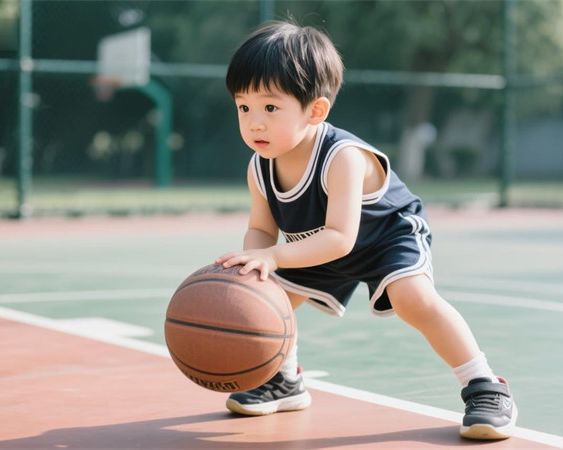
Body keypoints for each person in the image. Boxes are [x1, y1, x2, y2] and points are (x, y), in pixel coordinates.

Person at [215, 20, 516, 440]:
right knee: (272, 296)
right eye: (243, 108)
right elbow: (261, 229)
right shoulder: (259, 167)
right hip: (319, 243)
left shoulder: (342, 157)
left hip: (386, 236)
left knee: (414, 299)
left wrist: (274, 257)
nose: (254, 123)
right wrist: (255, 265)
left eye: (270, 107)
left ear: (315, 110)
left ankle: (484, 385)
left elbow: (341, 237)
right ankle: (284, 379)